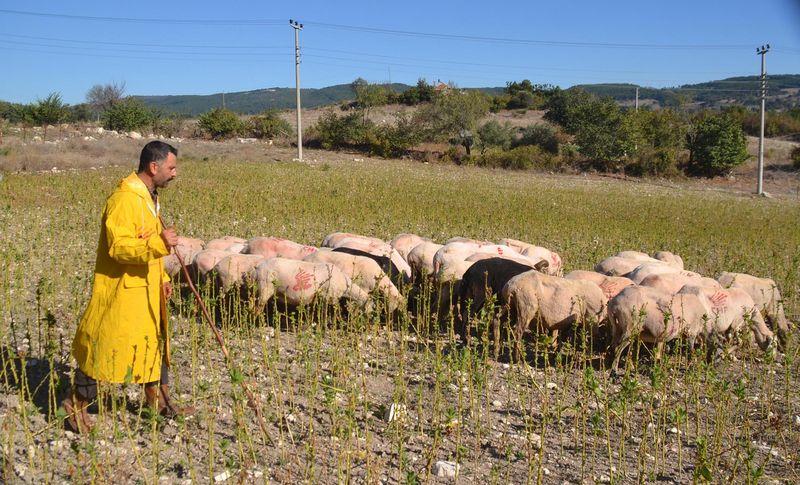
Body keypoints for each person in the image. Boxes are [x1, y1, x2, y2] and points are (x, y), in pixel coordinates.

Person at [63, 140, 193, 434]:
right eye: (171, 168)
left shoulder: (149, 196)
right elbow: (119, 248)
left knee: (154, 346)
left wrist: (163, 278)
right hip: (123, 292)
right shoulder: (124, 199)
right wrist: (160, 244)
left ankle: (160, 404)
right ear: (154, 167)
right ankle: (74, 407)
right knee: (102, 349)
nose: (175, 173)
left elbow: (144, 243)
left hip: (146, 290)